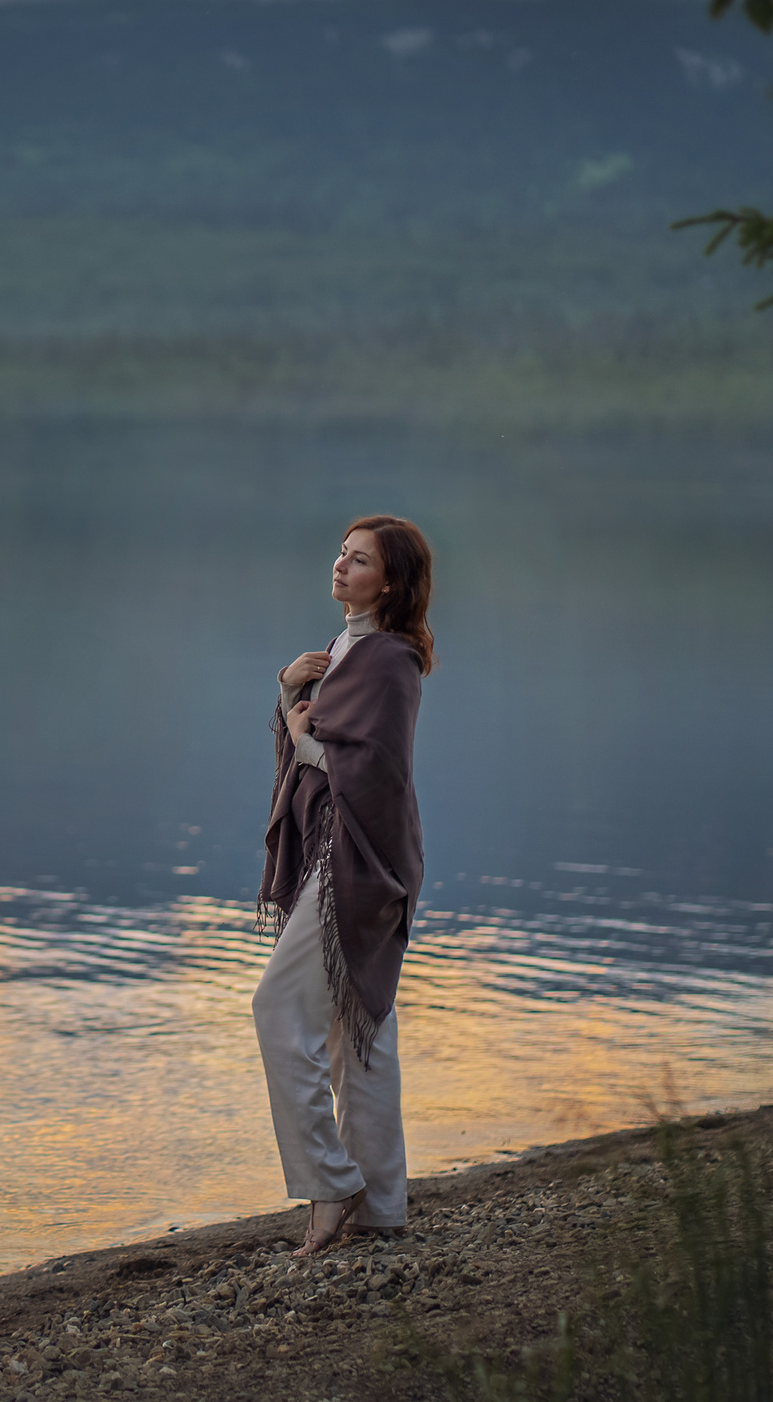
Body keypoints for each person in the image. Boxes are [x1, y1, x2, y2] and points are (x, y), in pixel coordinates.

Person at [254, 513, 434, 1257]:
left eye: (358, 560)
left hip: (357, 861)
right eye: (341, 552)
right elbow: (311, 745)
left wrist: (299, 734)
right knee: (356, 1032)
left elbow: (375, 772)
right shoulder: (342, 648)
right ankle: (383, 1205)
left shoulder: (389, 659)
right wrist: (288, 691)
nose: (339, 565)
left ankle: (334, 1184)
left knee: (277, 1009)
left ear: (388, 582)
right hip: (345, 850)